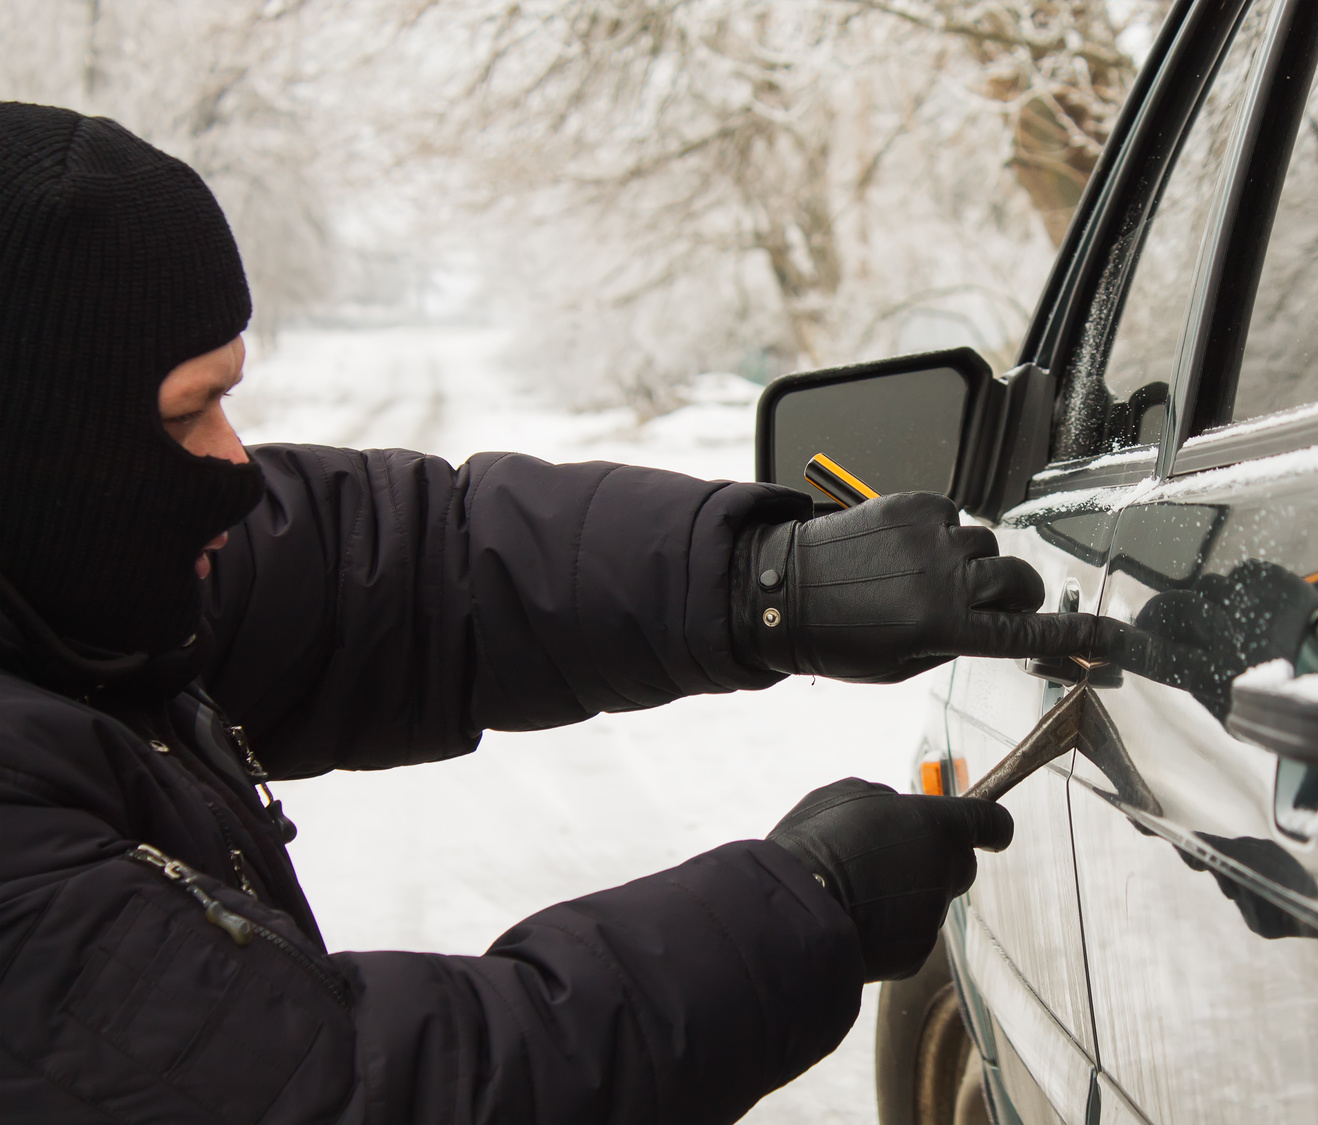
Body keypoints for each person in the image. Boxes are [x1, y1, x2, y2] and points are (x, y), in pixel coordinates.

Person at [0, 102, 1106, 1123]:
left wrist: (764, 583)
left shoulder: (65, 593)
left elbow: (402, 570)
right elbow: (348, 1098)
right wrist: (799, 910)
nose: (236, 466)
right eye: (192, 414)